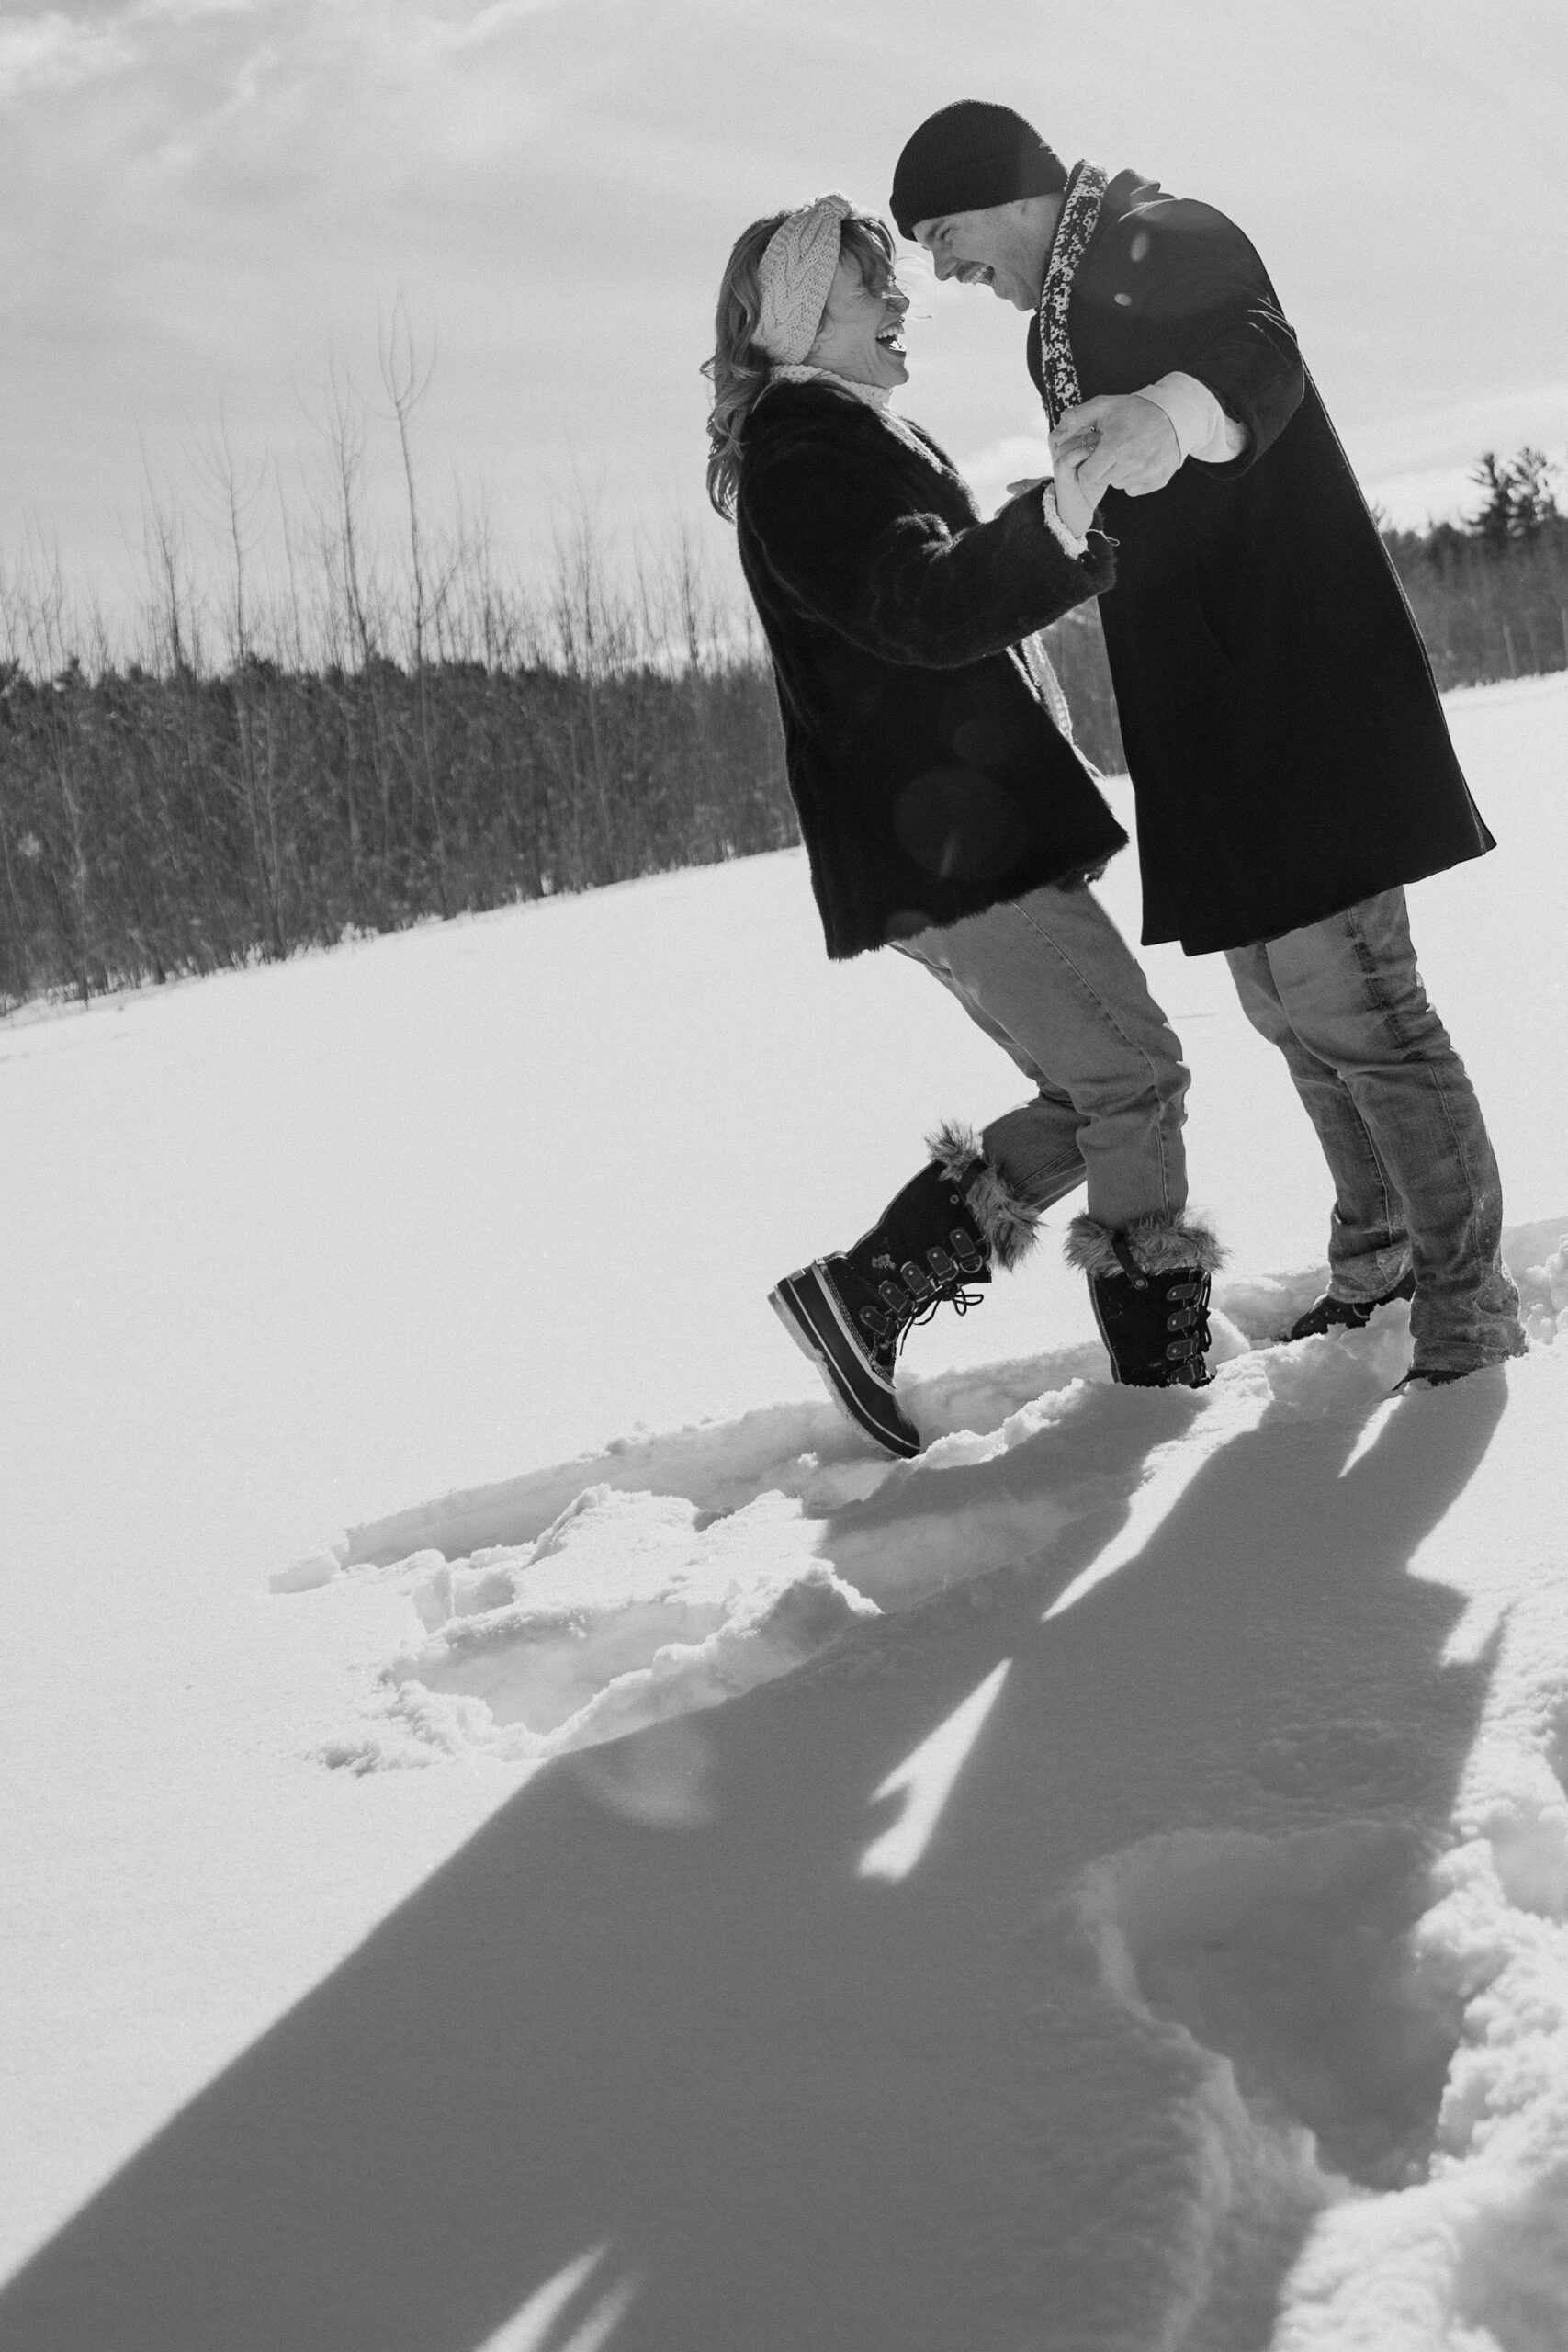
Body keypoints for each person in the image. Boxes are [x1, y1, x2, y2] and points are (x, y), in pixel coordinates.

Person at [890, 106, 1527, 1386]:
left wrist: (1169, 417)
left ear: (1007, 195)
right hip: (1212, 729)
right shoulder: (1056, 330)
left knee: (1367, 1009)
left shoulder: (1159, 235)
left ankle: (1468, 1307)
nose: (947, 270)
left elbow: (1260, 356)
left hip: (1299, 699)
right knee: (1291, 1014)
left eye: (947, 236)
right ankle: (1380, 1267)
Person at [704, 193, 1222, 1459]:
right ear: (794, 322)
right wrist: (1048, 525)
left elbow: (929, 596)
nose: (901, 306)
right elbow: (918, 605)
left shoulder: (831, 435)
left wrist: (1057, 523)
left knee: (1096, 1084)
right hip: (958, 842)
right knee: (1135, 1077)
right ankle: (1163, 1387)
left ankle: (865, 1294)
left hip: (950, 841)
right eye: (870, 292)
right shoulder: (806, 450)